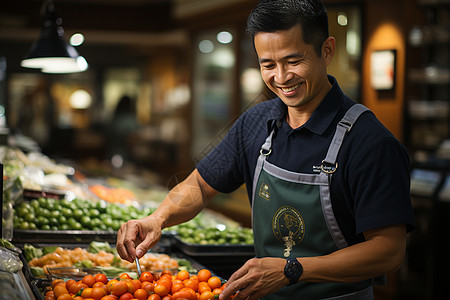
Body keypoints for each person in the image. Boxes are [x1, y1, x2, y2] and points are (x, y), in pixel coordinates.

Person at [116, 0, 415, 299]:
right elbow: (200, 185)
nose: (281, 77)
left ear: (327, 50)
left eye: (293, 61)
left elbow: (388, 251)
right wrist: (158, 218)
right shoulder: (256, 123)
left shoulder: (371, 143)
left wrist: (292, 269)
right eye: (268, 65)